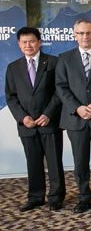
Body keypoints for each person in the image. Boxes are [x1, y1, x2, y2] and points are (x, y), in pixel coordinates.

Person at [55, 18, 91, 213]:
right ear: (74, 36)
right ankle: (83, 198)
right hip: (76, 118)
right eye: (80, 33)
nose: (85, 37)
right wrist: (77, 108)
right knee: (80, 161)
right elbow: (61, 87)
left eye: (89, 33)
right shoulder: (64, 58)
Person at [5, 26, 65, 212]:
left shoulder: (54, 63)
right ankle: (36, 197)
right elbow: (11, 97)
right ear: (19, 45)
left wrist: (48, 114)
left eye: (32, 41)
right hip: (27, 125)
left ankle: (56, 197)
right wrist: (23, 118)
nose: (28, 45)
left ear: (39, 42)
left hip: (49, 121)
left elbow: (59, 92)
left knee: (54, 161)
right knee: (33, 161)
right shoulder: (13, 67)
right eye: (24, 42)